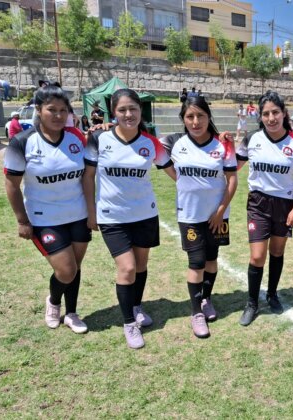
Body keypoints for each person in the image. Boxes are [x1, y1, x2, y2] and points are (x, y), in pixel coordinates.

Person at [83, 88, 176, 349]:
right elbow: (88, 177)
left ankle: (136, 307)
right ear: (114, 112)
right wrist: (91, 212)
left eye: (133, 109)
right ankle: (128, 323)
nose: (128, 114)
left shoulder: (150, 143)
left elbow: (176, 173)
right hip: (112, 217)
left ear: (140, 111)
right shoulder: (99, 139)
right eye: (122, 109)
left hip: (145, 214)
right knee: (126, 268)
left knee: (141, 266)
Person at [3, 85, 90, 334]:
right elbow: (11, 184)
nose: (58, 115)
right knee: (66, 269)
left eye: (64, 110)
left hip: (78, 214)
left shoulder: (76, 138)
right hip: (44, 219)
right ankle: (53, 302)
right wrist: (22, 220)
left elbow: (90, 168)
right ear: (39, 110)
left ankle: (71, 313)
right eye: (52, 109)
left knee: (76, 267)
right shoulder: (22, 142)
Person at [165, 96, 237, 338]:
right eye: (189, 117)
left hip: (217, 216)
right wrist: (104, 128)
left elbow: (232, 180)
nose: (195, 122)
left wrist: (219, 211)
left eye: (200, 116)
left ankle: (206, 299)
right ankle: (196, 313)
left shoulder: (222, 145)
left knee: (211, 260)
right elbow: (139, 141)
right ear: (183, 119)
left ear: (209, 117)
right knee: (196, 262)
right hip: (189, 215)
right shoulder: (174, 143)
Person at [235, 91, 293, 326]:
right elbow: (232, 164)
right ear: (260, 116)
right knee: (257, 256)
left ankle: (273, 294)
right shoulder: (252, 139)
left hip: (284, 204)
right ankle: (252, 303)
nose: (271, 118)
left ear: (284, 113)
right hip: (258, 203)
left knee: (277, 252)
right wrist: (224, 143)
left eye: (275, 112)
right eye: (266, 113)